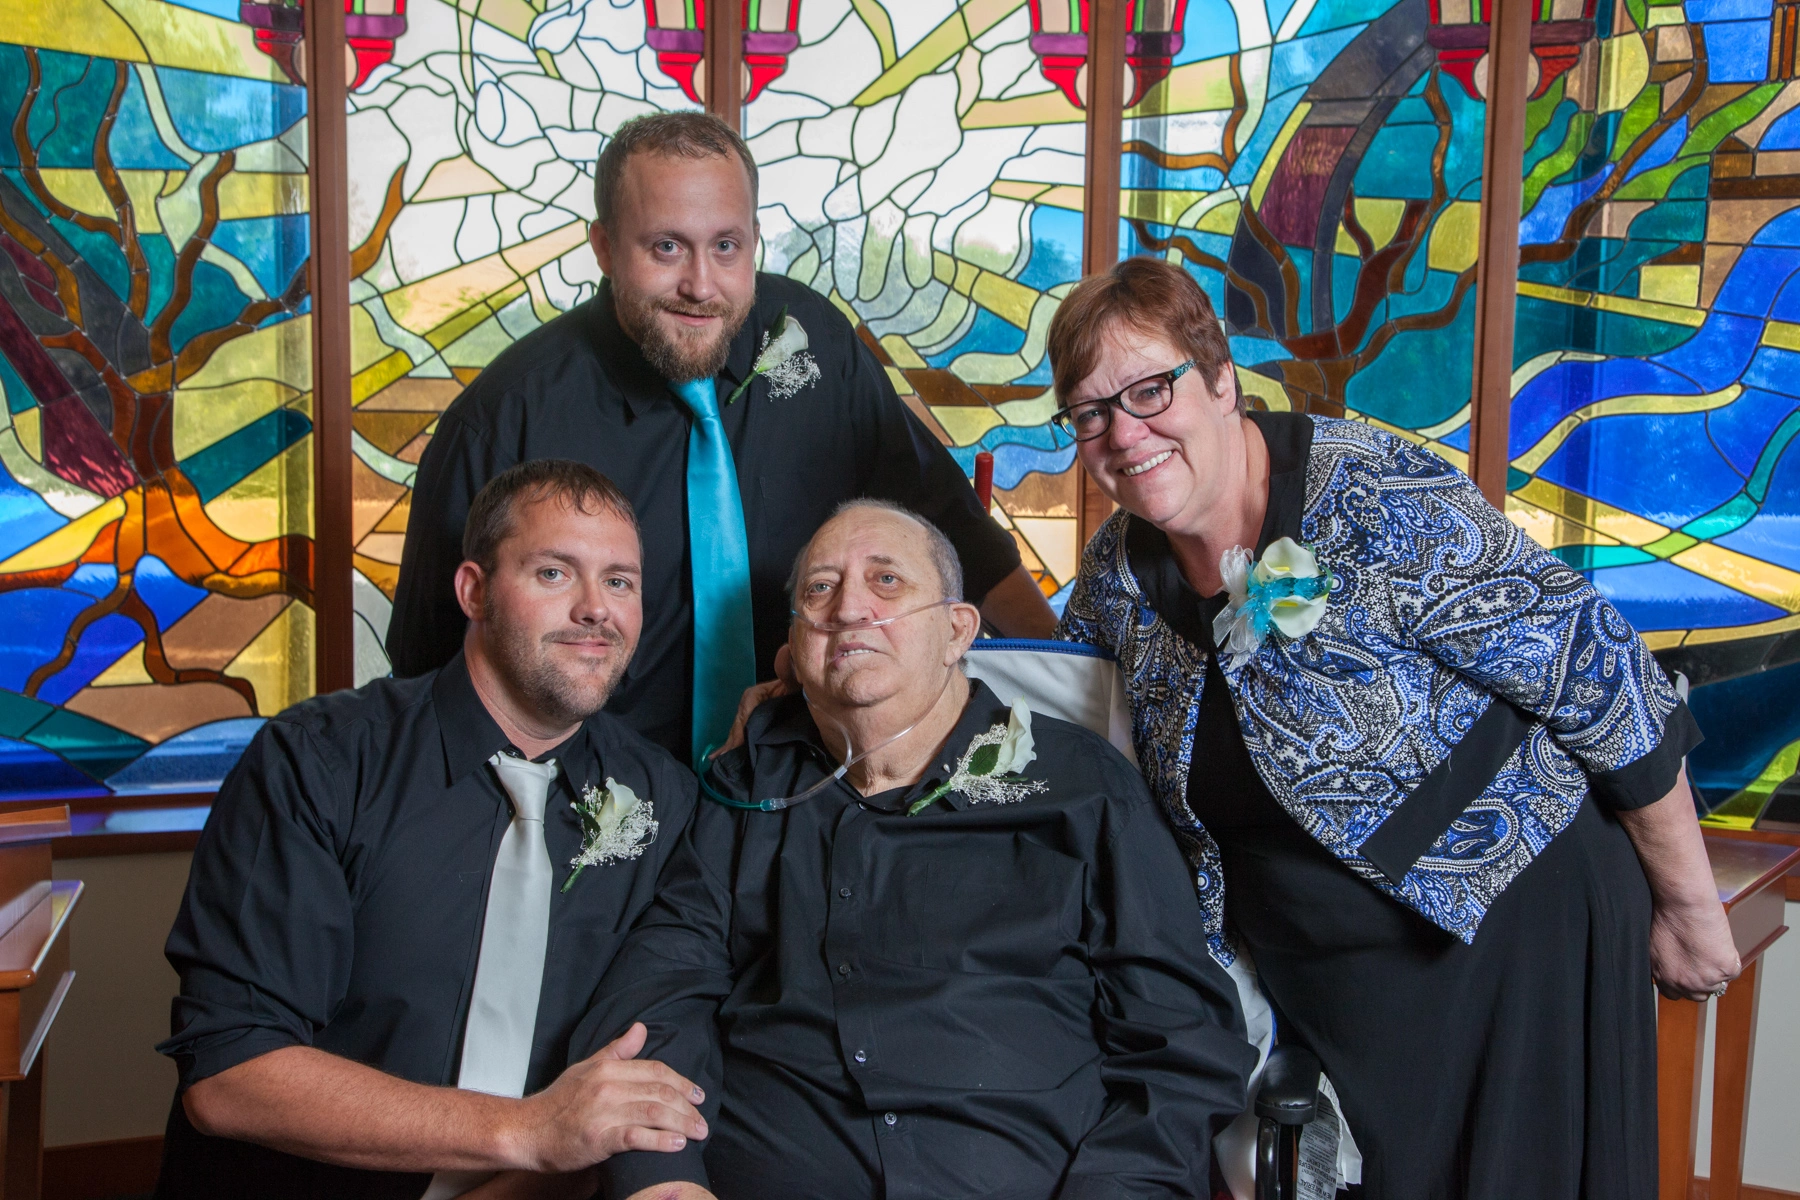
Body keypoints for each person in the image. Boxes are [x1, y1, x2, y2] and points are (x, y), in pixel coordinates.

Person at [1049, 257, 1741, 1198]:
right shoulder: (1115, 578)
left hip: (1509, 930)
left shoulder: (1373, 494)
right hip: (1324, 986)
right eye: (1091, 413)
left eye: (1150, 390)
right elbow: (1052, 714)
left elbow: (1599, 672)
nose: (1125, 434)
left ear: (1222, 383)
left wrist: (1691, 909)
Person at [580, 500, 1256, 1200]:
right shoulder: (743, 788)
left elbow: (1181, 1045)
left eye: (887, 581)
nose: (848, 608)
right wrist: (662, 1178)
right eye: (820, 588)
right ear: (795, 645)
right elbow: (658, 997)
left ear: (957, 630)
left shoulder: (1083, 787)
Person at [389, 111, 1055, 769]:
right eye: (666, 247)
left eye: (726, 246)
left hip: (812, 785)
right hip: (598, 802)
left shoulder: (814, 343)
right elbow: (430, 668)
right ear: (602, 246)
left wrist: (1066, 694)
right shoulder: (505, 418)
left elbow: (951, 526)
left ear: (755, 240)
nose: (701, 285)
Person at [155, 461, 707, 1200]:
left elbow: (660, 1031)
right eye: (553, 573)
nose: (594, 609)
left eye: (620, 582)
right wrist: (529, 1131)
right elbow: (230, 1076)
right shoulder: (318, 763)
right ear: (473, 591)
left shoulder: (663, 798)